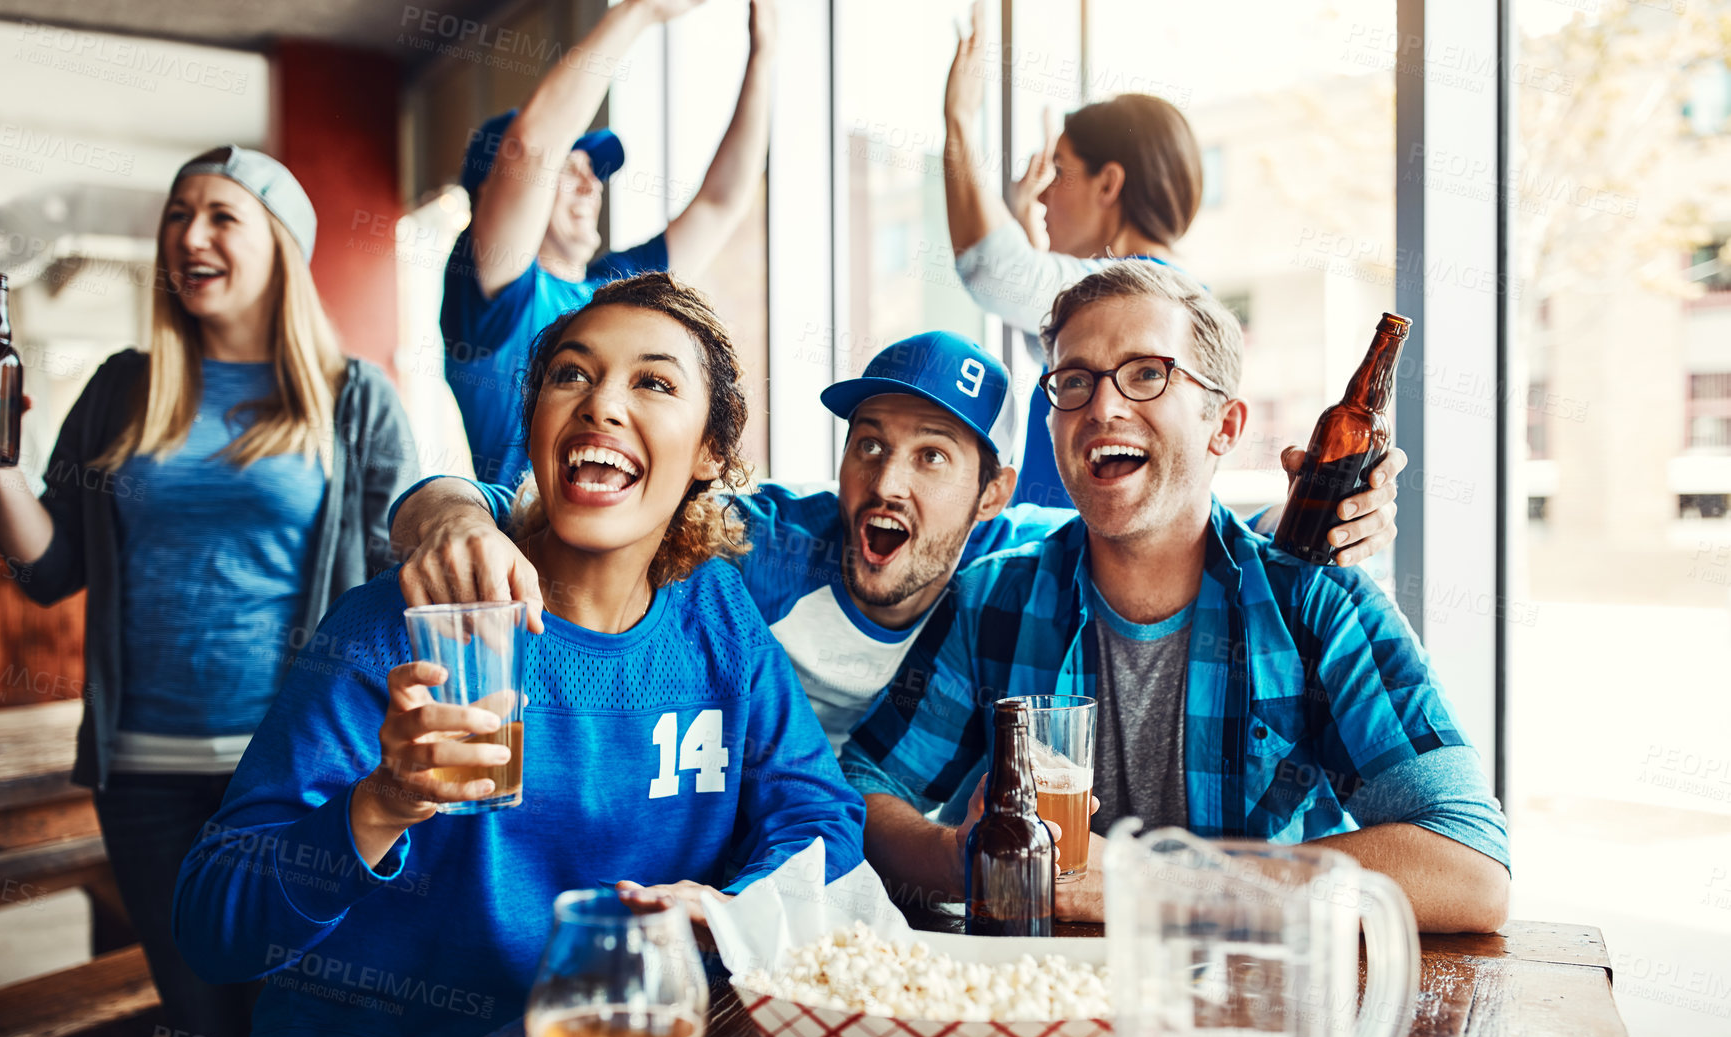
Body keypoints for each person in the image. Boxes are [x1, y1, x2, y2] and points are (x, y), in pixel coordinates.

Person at [172, 273, 865, 1037]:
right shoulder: (402, 624)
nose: (601, 406)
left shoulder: (718, 617)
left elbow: (822, 818)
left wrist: (725, 909)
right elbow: (209, 921)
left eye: (653, 382)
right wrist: (377, 805)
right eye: (571, 376)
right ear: (533, 423)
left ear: (711, 453)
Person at [839, 261, 1510, 935]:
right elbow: (863, 789)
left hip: (1255, 1009)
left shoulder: (1318, 604)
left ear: (1224, 426)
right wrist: (957, 855)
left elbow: (1470, 869)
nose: (1102, 406)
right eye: (1075, 381)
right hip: (1050, 1006)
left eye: (1147, 373)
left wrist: (1154, 885)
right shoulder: (993, 598)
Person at [387, 329, 1401, 760]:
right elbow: (524, 494)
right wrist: (445, 512)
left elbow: (1179, 536)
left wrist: (1321, 523)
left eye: (929, 456)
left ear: (992, 492)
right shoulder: (770, 541)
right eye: (868, 443)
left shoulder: (1018, 567)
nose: (885, 478)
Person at [0, 146, 417, 1037]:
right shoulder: (119, 391)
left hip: (295, 772)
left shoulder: (353, 398)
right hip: (143, 776)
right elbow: (51, 568)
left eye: (222, 216)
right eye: (178, 216)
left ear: (280, 243)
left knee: (299, 1034)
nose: (191, 236)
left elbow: (393, 581)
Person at [445, 0, 776, 488]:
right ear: (492, 194)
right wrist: (640, 11)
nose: (591, 185)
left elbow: (719, 205)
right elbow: (531, 149)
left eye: (594, 172)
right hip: (527, 548)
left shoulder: (612, 292)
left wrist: (764, 53)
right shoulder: (493, 294)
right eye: (568, 169)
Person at [945, 0, 1237, 512]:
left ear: (1108, 183)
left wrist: (958, 122)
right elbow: (1050, 313)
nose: (1043, 196)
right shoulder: (1183, 301)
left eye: (1059, 171)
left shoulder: (1125, 297)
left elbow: (992, 267)